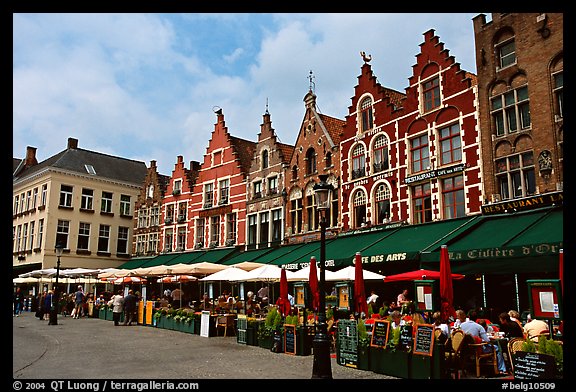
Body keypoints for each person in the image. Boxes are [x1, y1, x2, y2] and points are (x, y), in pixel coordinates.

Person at [456, 309, 507, 374]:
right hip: (477, 349)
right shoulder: (479, 327)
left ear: (468, 317)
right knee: (497, 348)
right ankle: (501, 369)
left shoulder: (461, 325)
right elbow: (487, 340)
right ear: (477, 318)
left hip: (466, 348)